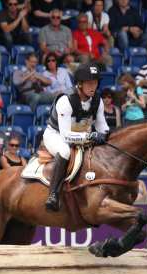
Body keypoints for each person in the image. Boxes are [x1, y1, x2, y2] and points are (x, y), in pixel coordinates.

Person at [43, 63, 109, 211]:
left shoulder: (98, 101)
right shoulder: (66, 101)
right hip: (56, 135)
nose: (94, 86)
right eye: (89, 83)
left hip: (83, 136)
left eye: (96, 82)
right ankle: (53, 194)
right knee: (65, 152)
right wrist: (90, 136)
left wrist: (106, 136)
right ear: (79, 84)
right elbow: (66, 136)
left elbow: (102, 127)